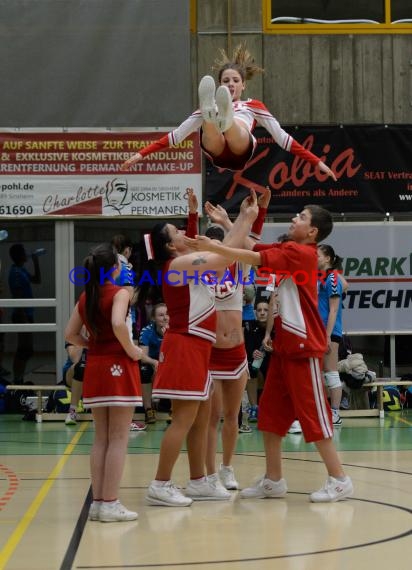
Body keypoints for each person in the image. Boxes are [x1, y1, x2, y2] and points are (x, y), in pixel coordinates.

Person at [186, 204, 353, 503]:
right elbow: (255, 246)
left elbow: (253, 256)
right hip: (284, 349)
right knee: (271, 418)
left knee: (315, 417)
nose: (294, 218)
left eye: (301, 217)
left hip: (304, 349)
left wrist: (216, 247)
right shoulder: (290, 248)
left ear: (312, 231)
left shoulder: (303, 254)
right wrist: (226, 221)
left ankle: (339, 479)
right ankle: (273, 480)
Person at [143, 194, 257, 507]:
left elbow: (206, 248)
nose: (183, 232)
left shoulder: (182, 260)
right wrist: (245, 219)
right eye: (176, 231)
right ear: (170, 245)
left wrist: (196, 218)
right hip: (185, 346)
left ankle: (198, 481)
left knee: (202, 415)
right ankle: (160, 484)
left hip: (198, 347)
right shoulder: (178, 264)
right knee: (183, 419)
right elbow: (222, 257)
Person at [120, 44, 337, 181]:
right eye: (226, 81)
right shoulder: (210, 106)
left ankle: (226, 121)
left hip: (240, 148)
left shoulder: (253, 105)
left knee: (236, 127)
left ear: (243, 86)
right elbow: (177, 136)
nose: (231, 84)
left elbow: (283, 138)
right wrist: (140, 154)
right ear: (219, 84)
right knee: (209, 126)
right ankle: (214, 118)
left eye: (235, 81)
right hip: (218, 151)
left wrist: (317, 162)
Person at [65, 243, 143, 522]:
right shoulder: (120, 293)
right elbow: (119, 324)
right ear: (115, 269)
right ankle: (110, 502)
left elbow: (70, 333)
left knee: (101, 438)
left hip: (95, 368)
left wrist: (93, 344)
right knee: (119, 439)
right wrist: (132, 350)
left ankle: (99, 503)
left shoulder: (86, 296)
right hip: (118, 366)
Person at [317, 244, 345, 427]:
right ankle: (325, 410)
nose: (314, 258)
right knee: (320, 372)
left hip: (330, 332)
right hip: (318, 331)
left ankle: (335, 412)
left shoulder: (333, 278)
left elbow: (334, 310)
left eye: (317, 255)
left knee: (331, 372)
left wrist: (327, 336)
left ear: (327, 258)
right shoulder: (322, 277)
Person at [8, 244, 42, 384]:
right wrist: (24, 321)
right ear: (18, 255)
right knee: (24, 349)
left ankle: (19, 379)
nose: (26, 253)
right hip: (21, 315)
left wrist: (35, 261)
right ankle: (17, 380)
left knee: (27, 349)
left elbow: (37, 280)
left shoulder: (21, 270)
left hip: (27, 314)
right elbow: (18, 297)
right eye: (24, 252)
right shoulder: (15, 273)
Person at [138, 303, 169, 424]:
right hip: (151, 363)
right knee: (144, 370)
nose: (165, 318)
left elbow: (177, 354)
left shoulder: (174, 331)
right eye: (161, 315)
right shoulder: (147, 331)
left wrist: (167, 336)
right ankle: (148, 409)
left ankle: (173, 408)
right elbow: (142, 356)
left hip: (168, 363)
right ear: (153, 318)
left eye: (167, 314)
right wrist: (155, 362)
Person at [243, 301, 271, 423]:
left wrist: (273, 350)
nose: (262, 313)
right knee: (250, 367)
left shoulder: (276, 328)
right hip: (258, 363)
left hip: (273, 360)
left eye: (265, 310)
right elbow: (248, 348)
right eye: (259, 310)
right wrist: (253, 353)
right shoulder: (251, 327)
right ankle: (254, 407)